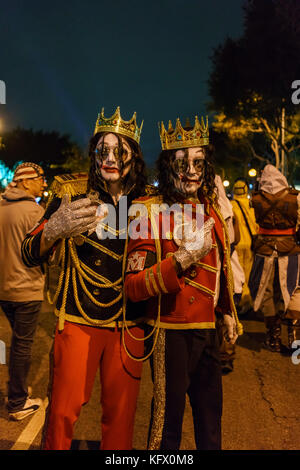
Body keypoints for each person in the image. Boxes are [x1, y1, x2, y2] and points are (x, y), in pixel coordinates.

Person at [21, 107, 149, 450]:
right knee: (63, 412)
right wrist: (53, 230)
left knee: (121, 417)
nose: (109, 158)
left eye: (119, 151)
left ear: (133, 155)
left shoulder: (150, 199)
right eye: (102, 150)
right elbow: (29, 251)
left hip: (130, 321)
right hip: (78, 317)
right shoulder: (70, 191)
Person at [124, 115, 242, 450]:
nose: (191, 170)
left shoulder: (213, 211)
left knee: (210, 421)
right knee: (167, 425)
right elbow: (133, 285)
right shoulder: (146, 213)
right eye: (182, 163)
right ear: (167, 167)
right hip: (169, 333)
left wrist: (227, 311)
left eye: (198, 163)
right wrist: (178, 262)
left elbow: (222, 269)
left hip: (208, 332)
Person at [0, 162, 47, 420]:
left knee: (16, 343)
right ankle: (17, 402)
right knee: (22, 346)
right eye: (40, 177)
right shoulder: (34, 212)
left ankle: (16, 388)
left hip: (3, 288)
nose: (44, 182)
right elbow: (45, 252)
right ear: (26, 181)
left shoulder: (1, 206)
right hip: (26, 289)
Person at [249, 164, 300, 352]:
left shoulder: (256, 198)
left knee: (266, 292)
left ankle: (273, 339)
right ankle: (294, 339)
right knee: (293, 290)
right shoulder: (295, 197)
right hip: (290, 250)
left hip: (264, 251)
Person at [214, 175, 245, 374]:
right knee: (227, 316)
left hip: (220, 273)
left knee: (220, 319)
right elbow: (236, 238)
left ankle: (220, 356)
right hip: (231, 272)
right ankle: (225, 356)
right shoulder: (229, 209)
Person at [231, 178, 257, 314]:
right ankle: (247, 300)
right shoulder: (251, 205)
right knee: (248, 273)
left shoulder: (230, 205)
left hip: (236, 244)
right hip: (250, 244)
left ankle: (241, 300)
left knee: (238, 274)